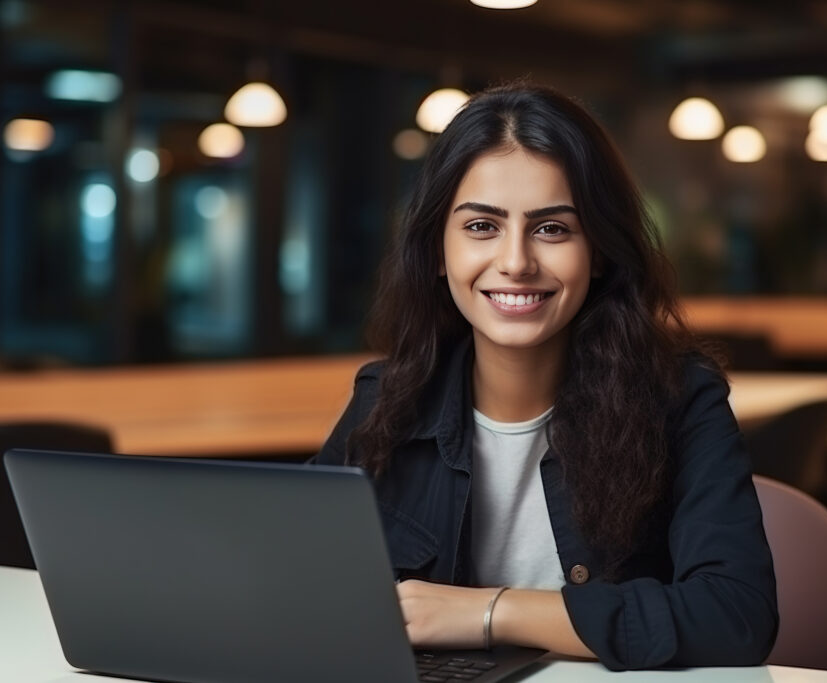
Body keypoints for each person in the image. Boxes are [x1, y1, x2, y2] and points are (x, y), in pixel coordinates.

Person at [313, 83, 778, 671]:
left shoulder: (680, 399)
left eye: (552, 228)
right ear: (438, 250)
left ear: (600, 250)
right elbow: (292, 585)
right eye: (481, 227)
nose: (515, 262)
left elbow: (736, 616)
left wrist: (491, 611)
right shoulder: (386, 402)